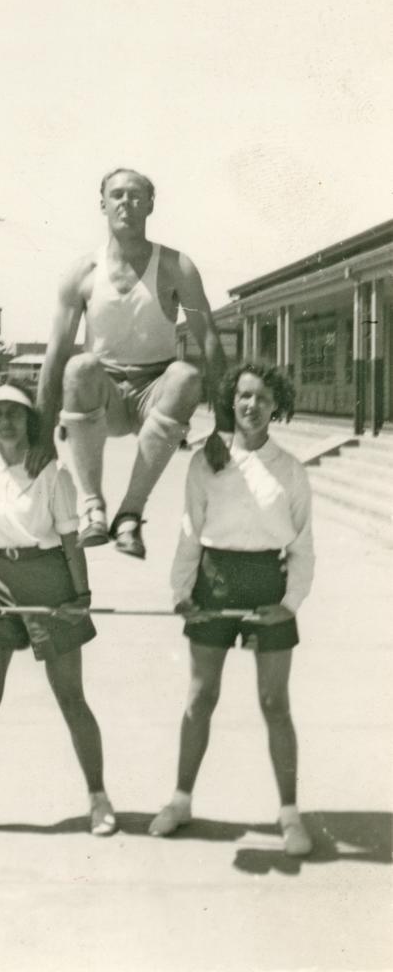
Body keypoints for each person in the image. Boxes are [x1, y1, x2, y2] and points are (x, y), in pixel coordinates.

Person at [149, 362, 315, 856]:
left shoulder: (291, 469)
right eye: (244, 396)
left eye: (263, 398)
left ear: (276, 405)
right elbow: (188, 529)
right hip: (215, 581)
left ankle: (289, 814)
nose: (252, 406)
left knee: (274, 704)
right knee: (201, 698)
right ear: (231, 402)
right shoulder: (207, 461)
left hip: (268, 583)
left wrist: (289, 604)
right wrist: (181, 592)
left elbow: (302, 545)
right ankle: (180, 801)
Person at [0, 381, 116, 843]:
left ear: (28, 421)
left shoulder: (52, 473)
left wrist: (81, 596)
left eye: (14, 413)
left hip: (48, 581)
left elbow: (72, 541)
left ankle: (98, 797)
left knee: (70, 697)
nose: (5, 421)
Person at [28, 167, 229, 560]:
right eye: (117, 195)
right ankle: (93, 507)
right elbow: (55, 355)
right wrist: (42, 433)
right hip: (103, 398)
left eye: (136, 196)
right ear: (102, 204)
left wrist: (225, 426)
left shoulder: (175, 267)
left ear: (151, 205)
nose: (126, 203)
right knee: (79, 366)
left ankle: (130, 514)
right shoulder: (82, 273)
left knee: (186, 375)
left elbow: (208, 339)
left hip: (154, 394)